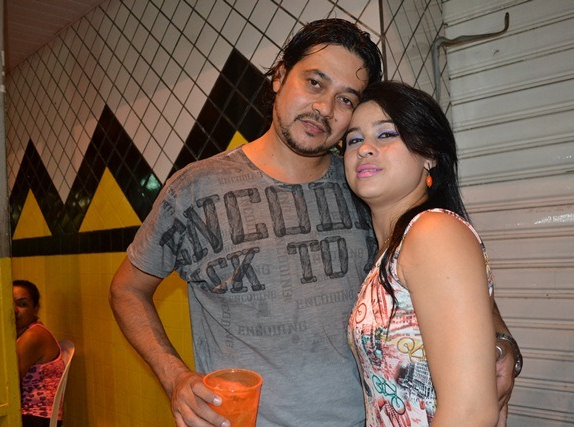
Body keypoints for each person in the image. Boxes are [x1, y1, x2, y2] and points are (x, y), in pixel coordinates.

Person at [109, 18, 519, 427]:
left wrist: (500, 342)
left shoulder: (367, 186)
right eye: (314, 83)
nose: (324, 108)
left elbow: (454, 285)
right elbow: (127, 289)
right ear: (280, 77)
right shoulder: (195, 190)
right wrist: (174, 376)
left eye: (346, 99)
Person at [344, 80, 503, 426]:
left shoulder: (433, 233)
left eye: (386, 134)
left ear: (429, 155)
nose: (364, 148)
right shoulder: (395, 249)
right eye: (353, 139)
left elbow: (471, 413)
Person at [13, 280, 65, 427]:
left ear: (35, 309)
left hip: (36, 416)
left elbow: (9, 382)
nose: (14, 310)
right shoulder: (18, 333)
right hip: (25, 414)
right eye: (9, 303)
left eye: (22, 304)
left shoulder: (33, 336)